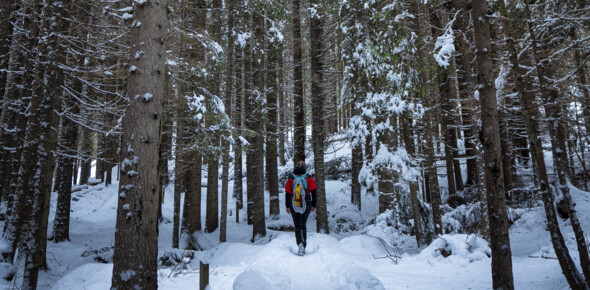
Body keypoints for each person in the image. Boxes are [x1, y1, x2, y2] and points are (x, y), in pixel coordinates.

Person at [285, 161, 317, 256]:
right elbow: (314, 192)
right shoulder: (308, 177)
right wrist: (313, 205)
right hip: (306, 203)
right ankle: (303, 244)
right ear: (305, 168)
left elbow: (287, 193)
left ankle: (299, 243)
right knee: (303, 225)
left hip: (293, 203)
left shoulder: (291, 178)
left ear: (295, 167)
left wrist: (287, 206)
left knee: (297, 225)